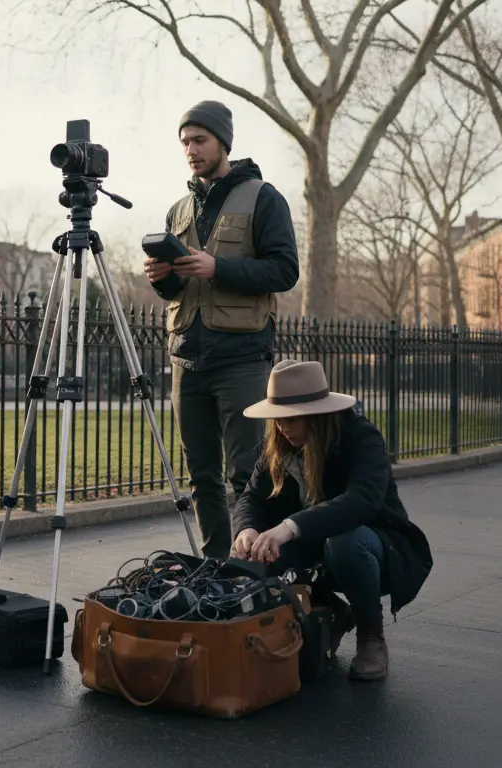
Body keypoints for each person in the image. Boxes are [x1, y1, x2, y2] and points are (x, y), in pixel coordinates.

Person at [144, 99, 300, 559]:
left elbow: (284, 271)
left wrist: (218, 268)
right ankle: (215, 566)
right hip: (186, 358)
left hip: (242, 358)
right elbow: (178, 290)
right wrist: (162, 279)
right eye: (185, 143)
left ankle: (255, 568)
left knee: (248, 473)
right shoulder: (178, 209)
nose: (191, 150)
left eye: (199, 140)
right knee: (201, 477)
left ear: (223, 143)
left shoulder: (263, 197)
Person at [229, 359, 433, 681]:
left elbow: (361, 501)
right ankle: (331, 611)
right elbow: (251, 498)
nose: (281, 426)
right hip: (313, 546)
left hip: (376, 548)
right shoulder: (279, 446)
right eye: (277, 417)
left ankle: (370, 635)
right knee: (256, 552)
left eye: (290, 418)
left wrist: (288, 527)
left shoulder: (361, 437)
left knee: (345, 542)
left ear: (317, 413)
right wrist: (247, 529)